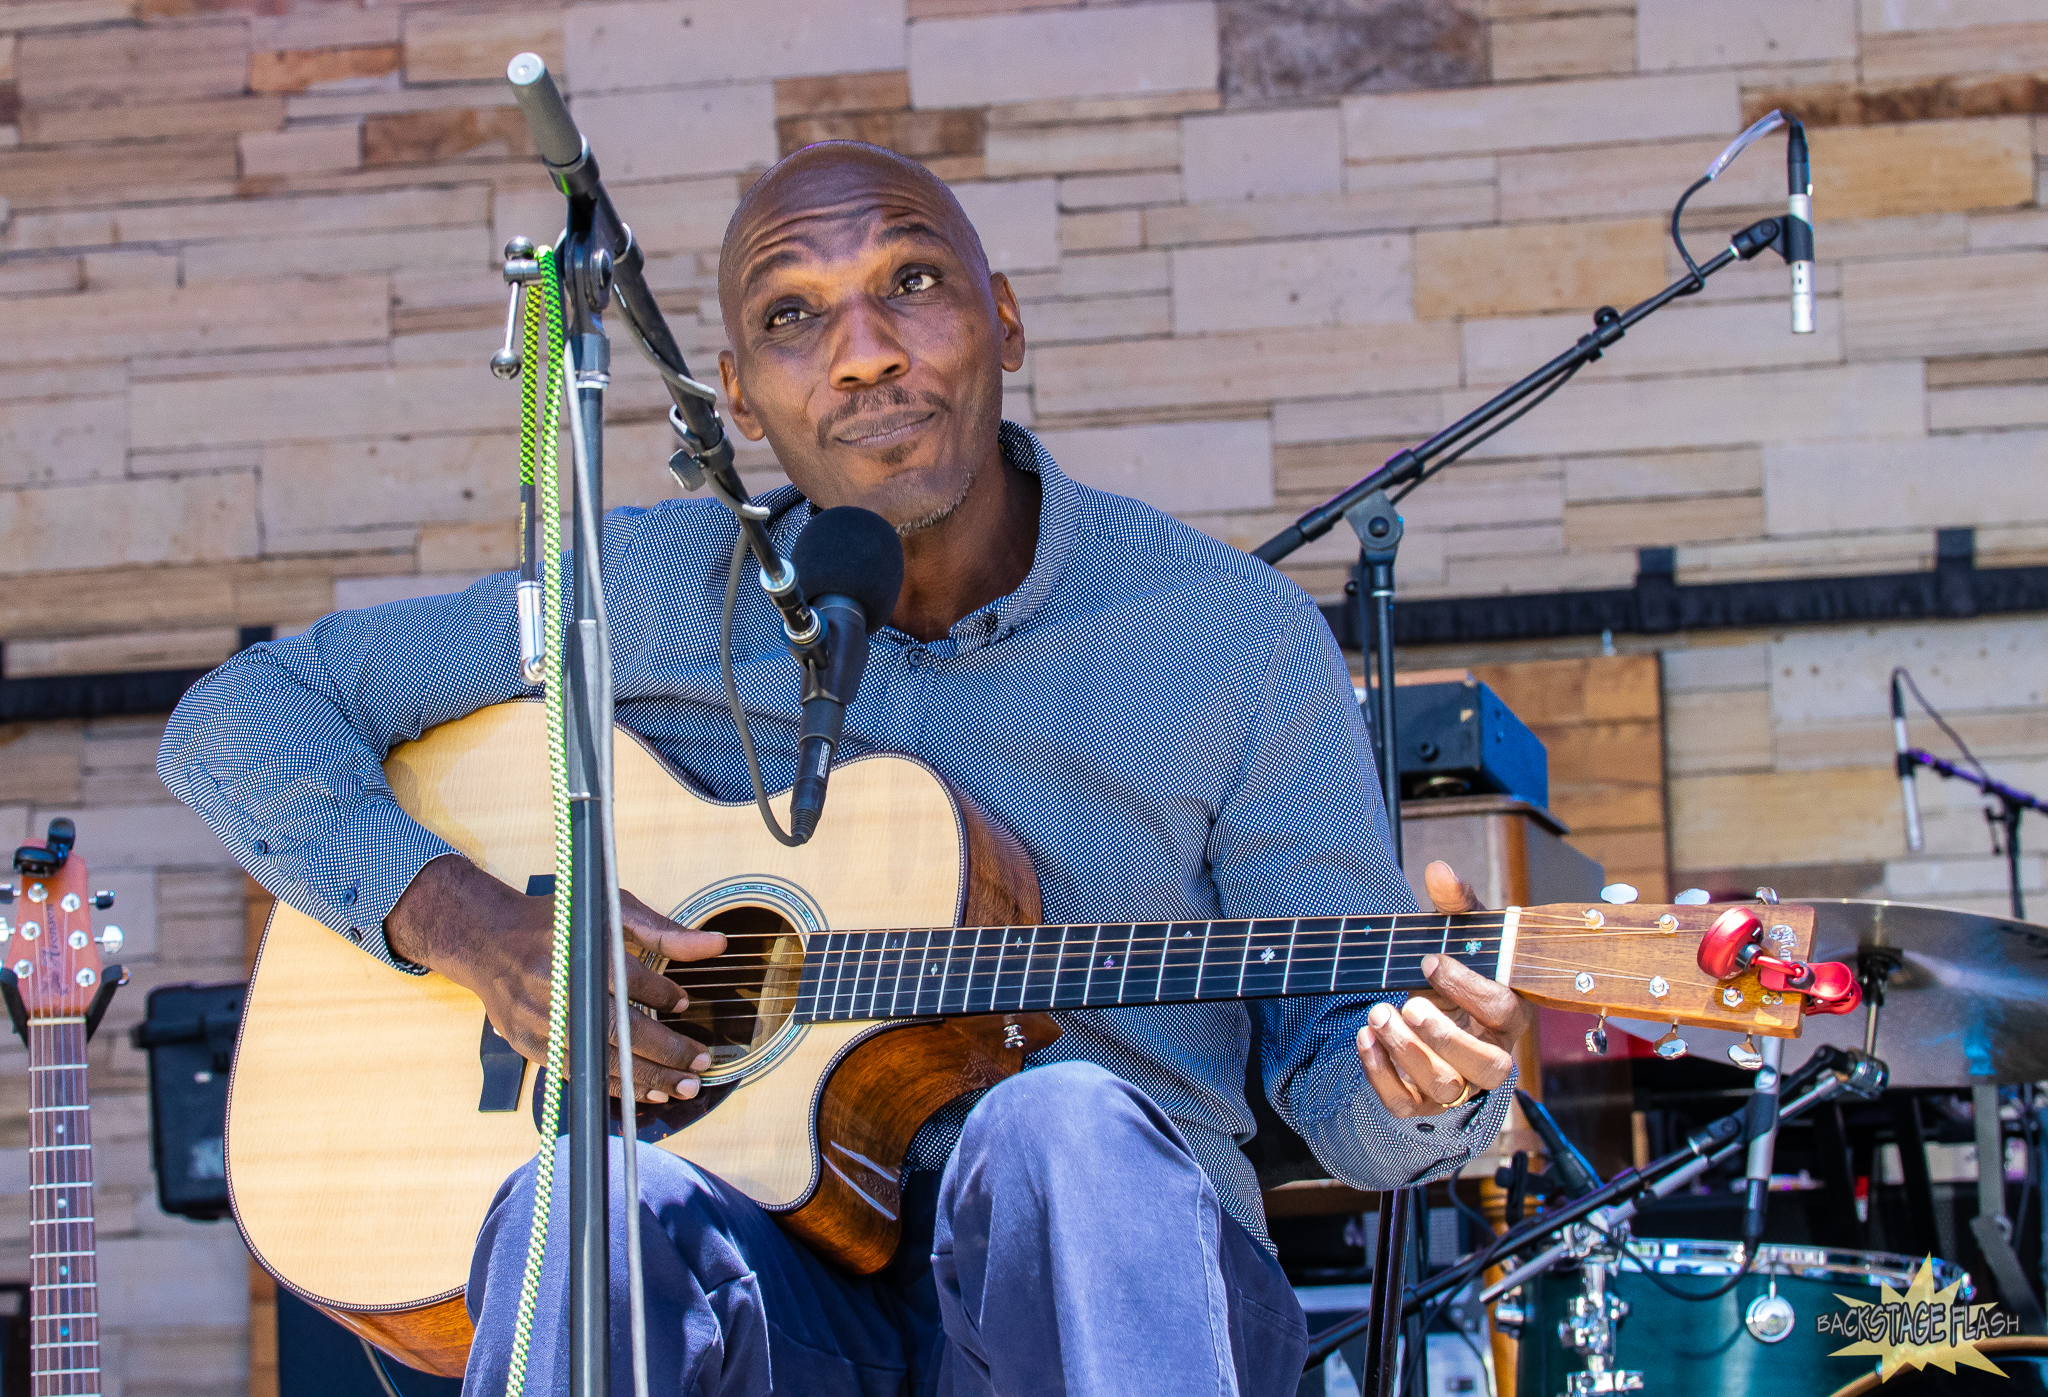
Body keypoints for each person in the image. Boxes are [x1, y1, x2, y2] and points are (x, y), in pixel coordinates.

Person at [160, 141, 1533, 1396]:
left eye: (911, 282)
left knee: (1062, 1131)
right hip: (779, 1300)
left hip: (1114, 1303)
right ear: (741, 402)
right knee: (586, 1199)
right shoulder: (638, 589)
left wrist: (1430, 1083)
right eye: (794, 316)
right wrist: (475, 926)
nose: (863, 354)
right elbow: (240, 715)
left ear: (1003, 314)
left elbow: (1340, 1077)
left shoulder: (1231, 638)